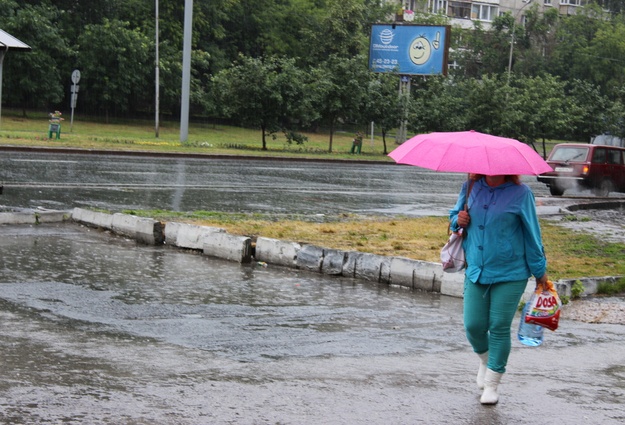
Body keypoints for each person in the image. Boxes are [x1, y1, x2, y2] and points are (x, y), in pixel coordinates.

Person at [449, 174, 548, 405]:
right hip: (476, 269)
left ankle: (492, 383)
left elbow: (532, 235)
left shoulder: (521, 193)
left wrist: (540, 272)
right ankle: (485, 359)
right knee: (473, 326)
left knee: (498, 327)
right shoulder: (470, 186)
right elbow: (454, 217)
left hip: (510, 272)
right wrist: (458, 220)